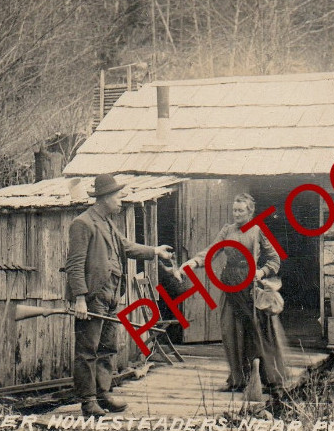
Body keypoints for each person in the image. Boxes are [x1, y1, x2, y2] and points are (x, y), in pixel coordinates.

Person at [66, 173, 173, 417]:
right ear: (104, 198)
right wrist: (80, 298)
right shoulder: (83, 223)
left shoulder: (109, 223)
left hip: (112, 296)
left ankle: (103, 394)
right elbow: (74, 264)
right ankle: (88, 401)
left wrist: (155, 251)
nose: (120, 201)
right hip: (93, 297)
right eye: (117, 196)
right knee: (87, 350)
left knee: (108, 347)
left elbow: (126, 247)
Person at [179, 193, 285, 394]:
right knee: (230, 332)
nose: (236, 214)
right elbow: (212, 251)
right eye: (234, 210)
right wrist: (193, 262)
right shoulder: (227, 230)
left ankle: (269, 380)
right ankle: (238, 379)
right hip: (230, 286)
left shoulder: (257, 231)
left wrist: (261, 272)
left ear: (250, 211)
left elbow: (274, 259)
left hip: (250, 289)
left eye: (240, 210)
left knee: (256, 334)